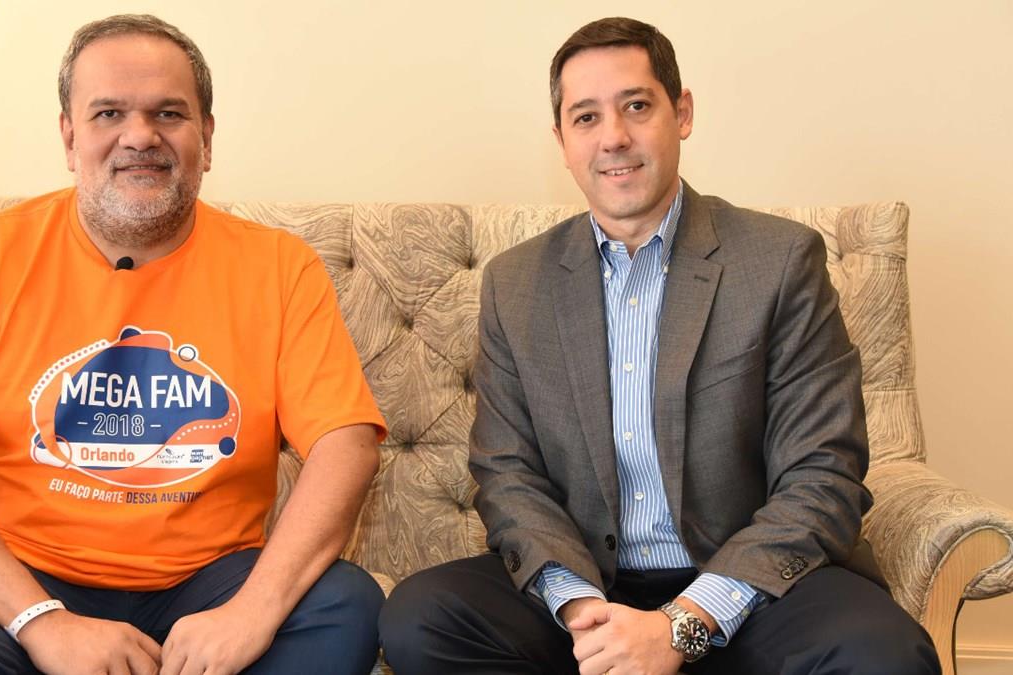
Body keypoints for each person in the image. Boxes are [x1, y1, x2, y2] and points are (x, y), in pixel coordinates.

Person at [379, 17, 939, 675]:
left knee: (884, 654)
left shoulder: (780, 262)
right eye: (586, 117)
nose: (613, 136)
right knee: (423, 617)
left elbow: (823, 473)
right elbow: (508, 473)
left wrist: (681, 626)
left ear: (683, 113)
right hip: (589, 583)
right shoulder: (516, 282)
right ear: (562, 141)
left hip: (747, 586)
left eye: (637, 106)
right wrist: (584, 613)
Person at [0, 14, 386, 675]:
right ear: (70, 137)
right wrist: (41, 621)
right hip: (17, 577)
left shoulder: (281, 267)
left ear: (207, 138)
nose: (140, 135)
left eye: (169, 113)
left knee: (346, 606)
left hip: (213, 580)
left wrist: (254, 611)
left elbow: (345, 445)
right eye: (108, 113)